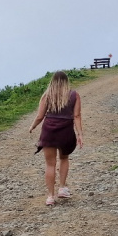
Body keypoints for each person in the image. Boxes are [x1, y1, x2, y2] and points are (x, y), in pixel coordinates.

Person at [29, 71, 83, 206]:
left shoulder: (47, 95)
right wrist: (80, 134)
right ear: (66, 82)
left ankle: (50, 197)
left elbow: (40, 116)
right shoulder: (74, 95)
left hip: (49, 131)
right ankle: (62, 188)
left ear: (52, 81)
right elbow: (76, 116)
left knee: (49, 164)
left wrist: (33, 126)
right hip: (66, 131)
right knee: (64, 158)